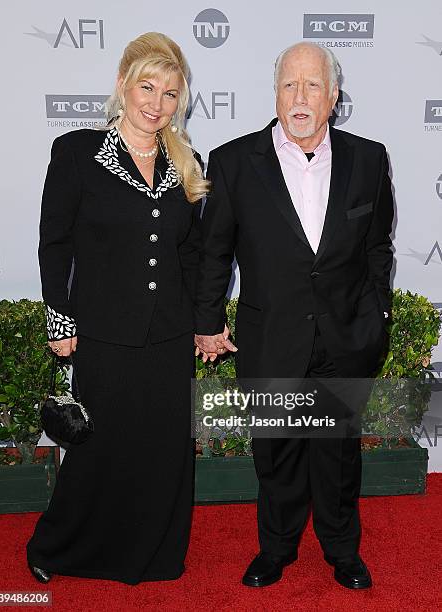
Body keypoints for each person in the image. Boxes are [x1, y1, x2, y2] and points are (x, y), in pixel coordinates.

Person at [194, 42, 393, 589]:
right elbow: (216, 252)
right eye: (289, 85)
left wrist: (377, 314)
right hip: (271, 334)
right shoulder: (234, 161)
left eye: (312, 86)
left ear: (333, 96)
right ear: (275, 92)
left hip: (344, 335)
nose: (299, 97)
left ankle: (342, 551)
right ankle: (276, 549)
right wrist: (208, 320)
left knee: (337, 455)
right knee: (276, 453)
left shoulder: (369, 158)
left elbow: (379, 247)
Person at [26, 32, 208, 586]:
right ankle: (55, 547)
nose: (156, 103)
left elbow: (193, 254)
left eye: (170, 93)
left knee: (162, 452)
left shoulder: (186, 162)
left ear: (181, 100)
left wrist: (206, 322)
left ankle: (153, 555)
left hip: (170, 337)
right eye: (146, 87)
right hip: (104, 334)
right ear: (123, 86)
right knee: (96, 449)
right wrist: (60, 317)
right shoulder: (78, 152)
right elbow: (54, 242)